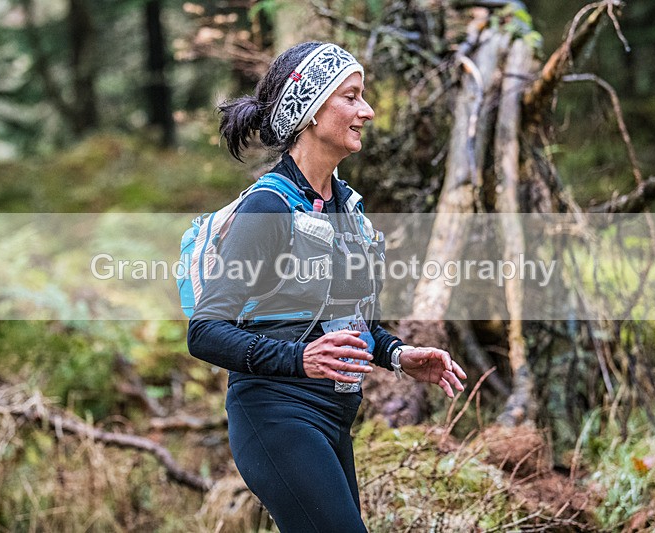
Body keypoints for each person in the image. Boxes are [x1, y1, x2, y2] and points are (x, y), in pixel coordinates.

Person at [187, 41, 467, 533]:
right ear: (312, 111)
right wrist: (299, 360)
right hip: (275, 416)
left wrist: (399, 356)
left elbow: (355, 325)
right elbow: (205, 331)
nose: (368, 110)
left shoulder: (347, 210)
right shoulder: (268, 208)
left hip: (333, 418)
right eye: (352, 97)